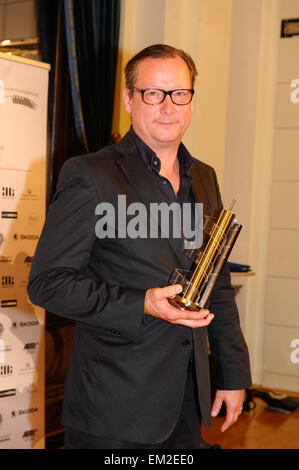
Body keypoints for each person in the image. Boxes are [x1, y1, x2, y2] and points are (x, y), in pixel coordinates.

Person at [27, 44, 251, 449]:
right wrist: (142, 304)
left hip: (187, 398)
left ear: (191, 101)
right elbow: (48, 283)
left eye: (179, 93)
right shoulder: (89, 175)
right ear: (129, 100)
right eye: (153, 93)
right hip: (114, 407)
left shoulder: (204, 177)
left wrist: (234, 373)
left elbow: (215, 281)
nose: (168, 106)